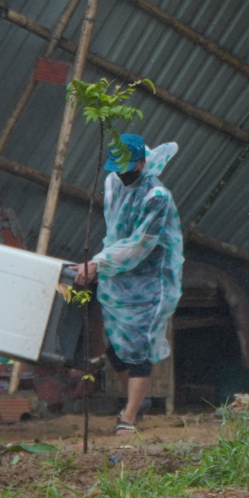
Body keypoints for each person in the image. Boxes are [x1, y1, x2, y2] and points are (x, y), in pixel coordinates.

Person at [74, 133, 184, 435]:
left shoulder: (157, 197)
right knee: (117, 350)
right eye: (118, 167)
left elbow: (140, 245)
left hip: (152, 278)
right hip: (119, 276)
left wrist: (98, 262)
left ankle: (129, 417)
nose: (123, 174)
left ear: (142, 161)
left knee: (140, 346)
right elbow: (116, 229)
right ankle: (139, 402)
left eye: (128, 167)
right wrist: (103, 263)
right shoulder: (113, 182)